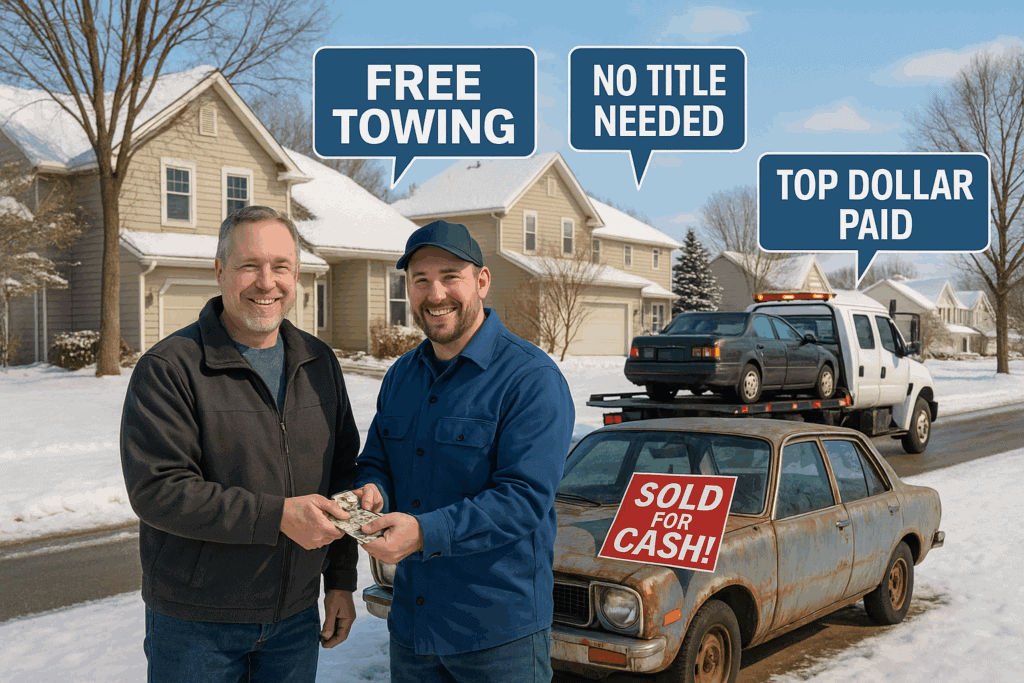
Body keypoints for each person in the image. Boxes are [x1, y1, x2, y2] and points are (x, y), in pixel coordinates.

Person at [120, 206, 360, 683]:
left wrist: (339, 582)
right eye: (250, 265)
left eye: (281, 266)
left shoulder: (318, 362)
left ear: (296, 274)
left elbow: (342, 474)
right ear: (220, 271)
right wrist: (278, 517)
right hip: (196, 626)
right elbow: (158, 490)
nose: (266, 282)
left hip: (294, 620)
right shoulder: (171, 367)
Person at [353, 220, 575, 683]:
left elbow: (523, 499)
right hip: (413, 628)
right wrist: (372, 488)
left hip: (498, 635)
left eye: (450, 276)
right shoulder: (400, 377)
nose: (435, 294)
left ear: (481, 281)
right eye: (420, 280)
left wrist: (423, 532)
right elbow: (377, 459)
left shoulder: (530, 379)